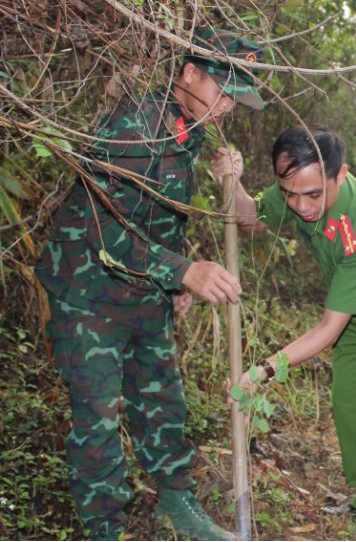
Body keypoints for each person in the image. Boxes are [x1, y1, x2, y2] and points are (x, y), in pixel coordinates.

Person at [34, 27, 265, 541]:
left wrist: (171, 279)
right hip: (88, 289)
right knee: (97, 417)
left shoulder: (191, 124)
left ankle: (179, 505)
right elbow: (104, 231)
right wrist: (185, 270)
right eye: (223, 91)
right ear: (189, 73)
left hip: (142, 287)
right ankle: (104, 528)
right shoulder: (134, 129)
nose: (227, 106)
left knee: (161, 398)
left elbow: (158, 216)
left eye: (235, 98)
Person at [212, 126, 356, 540]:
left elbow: (328, 329)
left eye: (313, 195)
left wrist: (261, 372)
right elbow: (249, 218)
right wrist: (232, 179)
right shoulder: (298, 187)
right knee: (349, 408)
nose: (300, 205)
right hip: (353, 310)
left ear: (341, 175)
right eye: (290, 193)